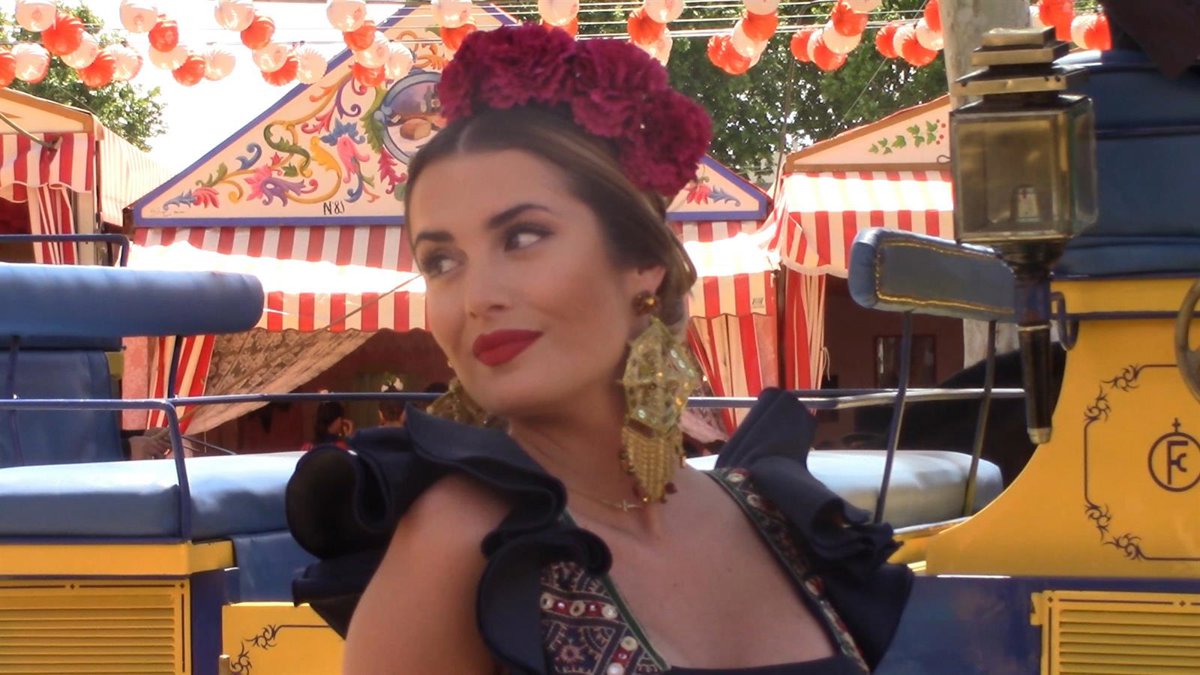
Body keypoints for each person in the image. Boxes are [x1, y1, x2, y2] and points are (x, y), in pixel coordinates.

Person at [286, 25, 910, 675]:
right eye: (441, 261)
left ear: (641, 262)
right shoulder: (459, 544)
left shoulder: (776, 515)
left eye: (522, 237)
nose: (477, 297)